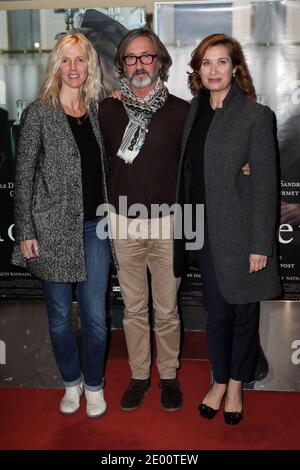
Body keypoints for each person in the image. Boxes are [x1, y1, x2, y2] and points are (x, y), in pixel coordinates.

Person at [174, 33, 281, 424]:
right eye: (206, 62)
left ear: (235, 67)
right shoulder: (194, 111)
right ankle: (218, 379)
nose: (214, 70)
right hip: (201, 230)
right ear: (197, 70)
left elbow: (266, 186)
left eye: (221, 62)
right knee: (216, 312)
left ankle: (236, 384)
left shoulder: (255, 115)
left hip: (240, 232)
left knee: (243, 312)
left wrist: (260, 244)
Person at [11, 32, 113, 418]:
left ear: (90, 65)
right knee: (58, 317)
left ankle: (95, 385)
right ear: (57, 65)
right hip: (51, 228)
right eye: (66, 60)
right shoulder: (40, 111)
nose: (73, 67)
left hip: (94, 229)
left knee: (96, 317)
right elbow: (24, 176)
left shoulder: (98, 111)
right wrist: (27, 231)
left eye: (80, 60)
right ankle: (71, 383)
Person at [99, 28, 189, 412]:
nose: (139, 64)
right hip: (122, 221)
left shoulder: (183, 111)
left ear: (160, 61)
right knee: (134, 308)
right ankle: (140, 376)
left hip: (168, 222)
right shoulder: (107, 109)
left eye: (146, 57)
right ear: (122, 64)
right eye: (131, 58)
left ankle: (168, 376)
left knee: (166, 309)